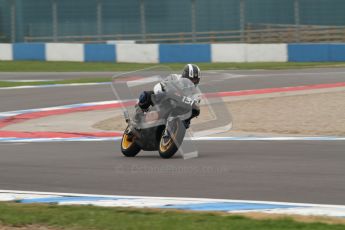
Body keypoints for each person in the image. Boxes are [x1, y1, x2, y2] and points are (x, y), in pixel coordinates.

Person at [128, 64, 201, 135]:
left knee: (187, 120)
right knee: (147, 95)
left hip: (179, 109)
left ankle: (175, 131)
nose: (193, 82)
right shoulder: (174, 77)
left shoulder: (196, 93)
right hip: (166, 99)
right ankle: (136, 119)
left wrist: (194, 110)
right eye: (191, 79)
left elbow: (195, 106)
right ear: (185, 76)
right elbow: (161, 85)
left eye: (195, 80)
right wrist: (163, 92)